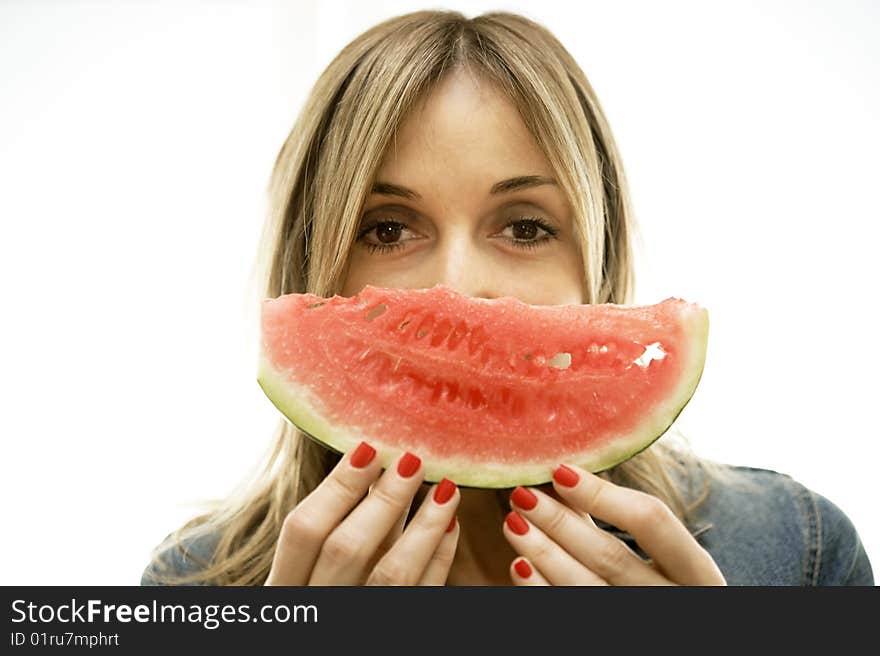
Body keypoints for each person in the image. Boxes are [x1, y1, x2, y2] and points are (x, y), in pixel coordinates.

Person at [141, 10, 873, 586]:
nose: (457, 287)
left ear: (599, 263)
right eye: (387, 228)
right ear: (312, 263)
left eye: (526, 227)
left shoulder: (797, 551)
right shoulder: (191, 587)